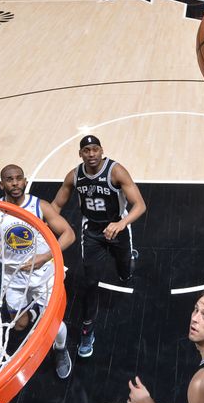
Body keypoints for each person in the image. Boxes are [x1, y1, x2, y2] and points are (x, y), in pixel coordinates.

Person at [0, 164, 76, 379]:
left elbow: (68, 234)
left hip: (44, 274)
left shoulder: (40, 206)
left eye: (18, 178)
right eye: (9, 180)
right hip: (13, 276)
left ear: (25, 181)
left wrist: (46, 255)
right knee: (20, 324)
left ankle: (60, 350)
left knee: (54, 326)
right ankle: (31, 312)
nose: (15, 183)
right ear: (2, 184)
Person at [51, 135, 147, 358]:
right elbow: (56, 204)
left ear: (102, 150)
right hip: (92, 232)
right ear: (80, 154)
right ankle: (87, 330)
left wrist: (122, 223)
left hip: (118, 228)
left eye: (95, 149)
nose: (91, 154)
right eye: (87, 150)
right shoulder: (74, 176)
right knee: (90, 282)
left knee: (125, 272)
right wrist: (41, 227)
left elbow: (140, 204)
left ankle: (127, 258)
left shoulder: (116, 171)